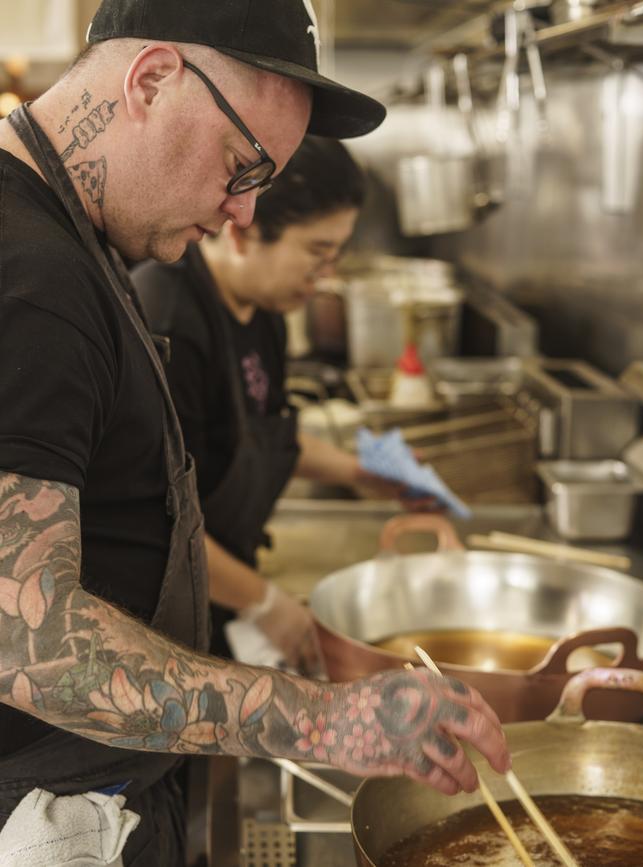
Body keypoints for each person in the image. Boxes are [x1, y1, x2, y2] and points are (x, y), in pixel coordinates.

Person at [0, 1, 510, 864]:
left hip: (108, 784)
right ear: (152, 79)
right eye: (242, 167)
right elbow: (26, 641)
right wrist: (323, 718)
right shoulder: (29, 277)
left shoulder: (76, 238)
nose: (242, 218)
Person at [133, 136, 420, 671]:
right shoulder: (169, 321)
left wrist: (368, 472)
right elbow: (157, 519)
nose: (326, 275)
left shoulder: (263, 309)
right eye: (317, 253)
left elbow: (262, 432)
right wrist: (265, 603)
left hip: (221, 583)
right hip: (162, 608)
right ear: (245, 231)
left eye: (336, 255)